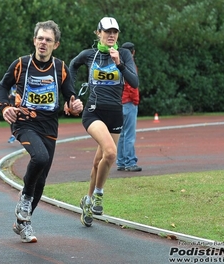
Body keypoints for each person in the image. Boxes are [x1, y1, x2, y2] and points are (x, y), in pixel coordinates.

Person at [0, 20, 83, 243]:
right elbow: (1, 86)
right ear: (34, 40)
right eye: (40, 38)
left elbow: (70, 98)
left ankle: (22, 223)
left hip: (49, 127)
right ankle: (25, 197)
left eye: (49, 40)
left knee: (42, 180)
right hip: (24, 123)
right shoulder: (21, 65)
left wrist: (74, 106)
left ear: (56, 45)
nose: (43, 43)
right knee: (40, 157)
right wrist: (5, 107)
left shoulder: (60, 68)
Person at [69, 17, 139, 227]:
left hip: (115, 114)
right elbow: (72, 66)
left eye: (114, 32)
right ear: (97, 32)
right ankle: (99, 193)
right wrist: (71, 95)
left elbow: (134, 83)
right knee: (110, 153)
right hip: (93, 112)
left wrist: (119, 63)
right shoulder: (90, 55)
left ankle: (87, 201)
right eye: (107, 31)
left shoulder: (124, 54)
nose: (111, 35)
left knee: (98, 161)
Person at [116, 42, 142, 172]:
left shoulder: (116, 63)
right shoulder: (130, 64)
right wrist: (134, 99)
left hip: (119, 102)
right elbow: (131, 85)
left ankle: (120, 161)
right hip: (128, 102)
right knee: (129, 134)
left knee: (121, 134)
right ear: (133, 52)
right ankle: (130, 162)